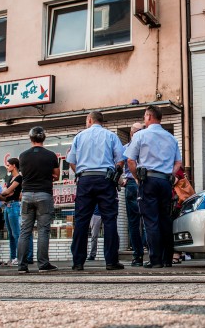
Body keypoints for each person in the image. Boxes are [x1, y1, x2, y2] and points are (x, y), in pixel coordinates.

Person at [125, 105, 182, 269]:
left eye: (144, 117)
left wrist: (137, 178)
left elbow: (130, 160)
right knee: (165, 219)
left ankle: (155, 259)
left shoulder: (140, 135)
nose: (144, 120)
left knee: (151, 220)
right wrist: (170, 174)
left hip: (148, 180)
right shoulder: (171, 138)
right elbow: (178, 162)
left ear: (149, 117)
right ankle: (168, 259)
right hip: (165, 181)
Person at [66, 111, 124, 271]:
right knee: (110, 220)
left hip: (85, 180)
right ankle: (111, 261)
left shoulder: (79, 137)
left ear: (89, 120)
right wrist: (116, 173)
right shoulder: (111, 136)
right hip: (106, 179)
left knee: (81, 221)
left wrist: (80, 172)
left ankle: (78, 262)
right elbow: (120, 160)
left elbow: (71, 161)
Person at [17, 126, 60, 274]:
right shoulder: (51, 155)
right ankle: (43, 264)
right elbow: (57, 175)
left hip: (27, 195)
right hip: (44, 195)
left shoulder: (22, 156)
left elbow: (23, 174)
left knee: (24, 231)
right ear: (44, 138)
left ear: (30, 138)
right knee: (43, 231)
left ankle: (22, 265)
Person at [0, 158, 33, 266]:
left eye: (8, 165)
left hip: (14, 205)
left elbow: (7, 191)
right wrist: (5, 193)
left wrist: (4, 193)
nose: (7, 167)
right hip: (8, 206)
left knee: (16, 233)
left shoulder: (19, 177)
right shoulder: (10, 179)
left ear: (14, 165)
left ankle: (19, 257)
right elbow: (7, 193)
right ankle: (13, 257)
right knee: (11, 234)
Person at [121, 122, 145, 267]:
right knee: (149, 219)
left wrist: (123, 178)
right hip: (143, 183)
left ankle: (138, 256)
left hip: (131, 183)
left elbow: (120, 164)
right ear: (133, 133)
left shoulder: (126, 148)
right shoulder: (145, 148)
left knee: (133, 222)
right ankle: (152, 253)